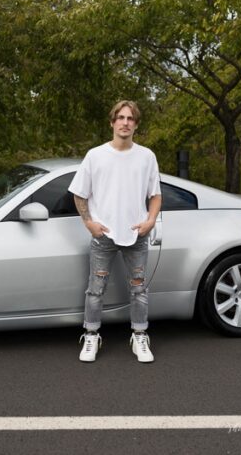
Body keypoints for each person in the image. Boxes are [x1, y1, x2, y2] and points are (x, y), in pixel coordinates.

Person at [68, 100, 162, 363]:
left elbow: (155, 195)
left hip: (137, 235)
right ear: (112, 123)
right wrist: (89, 223)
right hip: (104, 236)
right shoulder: (95, 155)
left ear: (136, 124)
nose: (125, 122)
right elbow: (79, 194)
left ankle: (140, 335)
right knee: (95, 290)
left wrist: (150, 221)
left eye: (130, 119)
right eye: (120, 118)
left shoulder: (146, 156)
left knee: (139, 289)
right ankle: (91, 335)